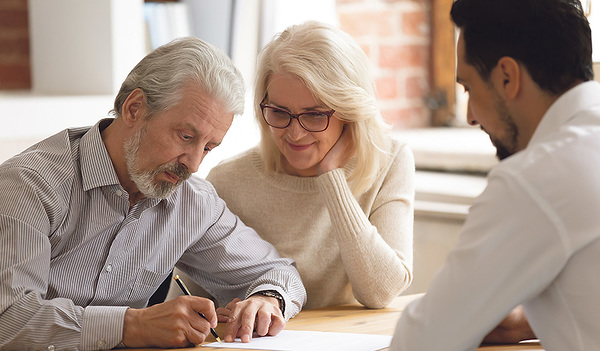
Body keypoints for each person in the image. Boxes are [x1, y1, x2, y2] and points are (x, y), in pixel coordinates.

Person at [0, 37, 306, 350]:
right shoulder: (28, 186)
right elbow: (8, 320)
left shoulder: (191, 201)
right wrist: (132, 325)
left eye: (209, 147)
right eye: (186, 136)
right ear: (134, 109)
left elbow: (279, 272)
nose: (195, 164)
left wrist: (267, 300)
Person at [391, 0, 600, 350]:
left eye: (470, 87)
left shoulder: (534, 179)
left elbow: (422, 341)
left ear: (507, 76)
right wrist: (532, 321)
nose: (470, 116)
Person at [174, 21, 414, 311]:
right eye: (279, 112)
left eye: (313, 115)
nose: (294, 133)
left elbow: (381, 292)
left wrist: (331, 178)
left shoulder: (389, 161)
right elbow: (192, 303)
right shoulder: (228, 180)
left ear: (350, 113)